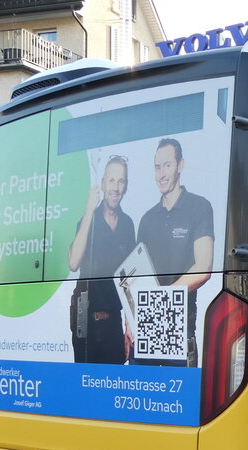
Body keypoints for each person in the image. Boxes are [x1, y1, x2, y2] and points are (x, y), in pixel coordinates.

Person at [135, 138, 214, 366]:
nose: (161, 174)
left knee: (178, 400)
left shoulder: (200, 207)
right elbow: (138, 276)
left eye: (167, 165)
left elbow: (204, 268)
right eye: (157, 167)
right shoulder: (147, 219)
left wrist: (161, 299)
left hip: (180, 330)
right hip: (146, 327)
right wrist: (130, 320)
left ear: (180, 165)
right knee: (145, 398)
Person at [68, 155, 135, 363]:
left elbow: (129, 279)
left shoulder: (127, 224)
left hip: (114, 322)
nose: (116, 187)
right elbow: (73, 262)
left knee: (113, 383)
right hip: (87, 323)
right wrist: (89, 210)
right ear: (103, 183)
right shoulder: (89, 220)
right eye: (112, 180)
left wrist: (128, 325)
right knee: (85, 385)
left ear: (126, 186)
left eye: (121, 181)